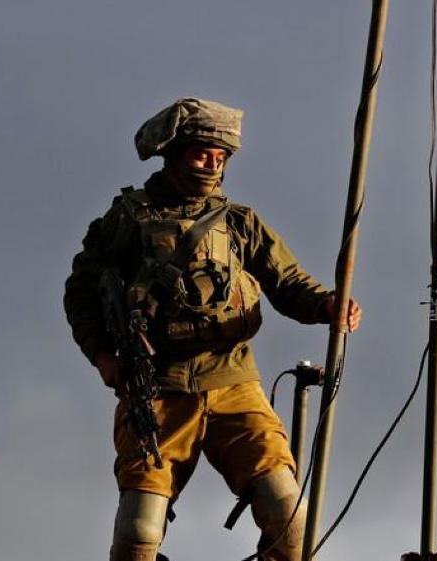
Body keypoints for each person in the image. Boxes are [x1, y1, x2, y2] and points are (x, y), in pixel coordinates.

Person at [64, 97, 361, 561]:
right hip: (157, 389)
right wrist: (103, 355)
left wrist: (327, 305)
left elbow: (287, 282)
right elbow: (81, 292)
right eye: (203, 154)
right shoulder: (126, 220)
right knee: (138, 532)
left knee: (289, 513)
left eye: (220, 158)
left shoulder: (239, 223)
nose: (212, 165)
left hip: (232, 382)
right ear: (176, 152)